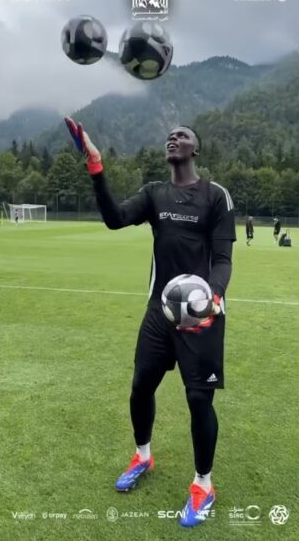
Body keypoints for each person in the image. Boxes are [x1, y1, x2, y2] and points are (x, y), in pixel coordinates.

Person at [65, 117, 235, 528]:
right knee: (141, 385)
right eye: (170, 135)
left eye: (184, 136)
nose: (174, 138)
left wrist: (209, 300)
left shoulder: (215, 196)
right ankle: (143, 455)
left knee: (199, 400)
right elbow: (114, 218)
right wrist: (96, 166)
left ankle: (203, 484)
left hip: (203, 315)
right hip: (159, 313)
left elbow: (224, 259)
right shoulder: (155, 194)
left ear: (196, 149)